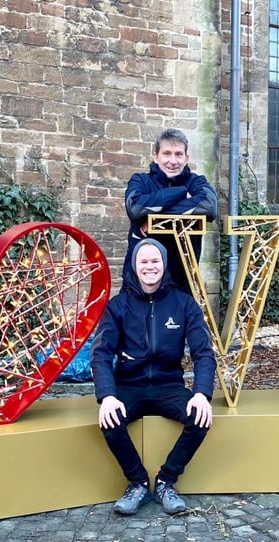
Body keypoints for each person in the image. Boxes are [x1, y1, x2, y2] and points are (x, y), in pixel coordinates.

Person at [92, 238, 216, 515]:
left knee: (200, 418)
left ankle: (165, 481)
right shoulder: (118, 306)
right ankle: (137, 483)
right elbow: (101, 353)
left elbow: (204, 353)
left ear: (164, 264)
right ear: (134, 266)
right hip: (129, 385)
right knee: (110, 421)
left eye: (155, 261)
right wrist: (107, 396)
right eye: (143, 262)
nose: (150, 267)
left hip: (168, 385)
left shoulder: (183, 304)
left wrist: (201, 393)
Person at [124, 128, 218, 295]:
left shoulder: (196, 182)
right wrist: (181, 192)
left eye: (178, 154)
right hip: (140, 283)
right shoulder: (140, 181)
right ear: (156, 156)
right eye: (167, 154)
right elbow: (135, 208)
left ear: (186, 158)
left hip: (181, 283)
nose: (173, 161)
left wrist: (154, 219)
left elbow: (210, 206)